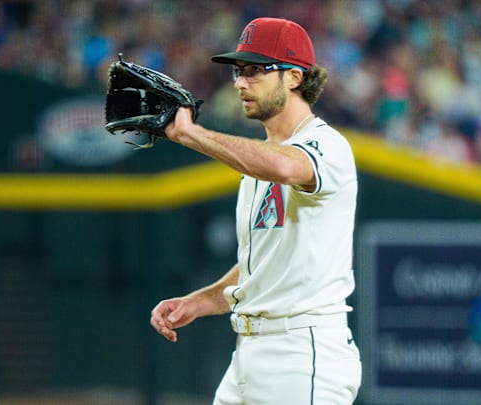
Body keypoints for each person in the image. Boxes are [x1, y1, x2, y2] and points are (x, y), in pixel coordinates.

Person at [150, 17, 362, 404]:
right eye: (237, 71)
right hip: (249, 352)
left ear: (295, 77)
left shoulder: (328, 146)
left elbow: (286, 166)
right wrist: (201, 301)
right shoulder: (254, 170)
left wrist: (191, 133)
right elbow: (259, 267)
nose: (239, 83)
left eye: (255, 71)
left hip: (303, 351)